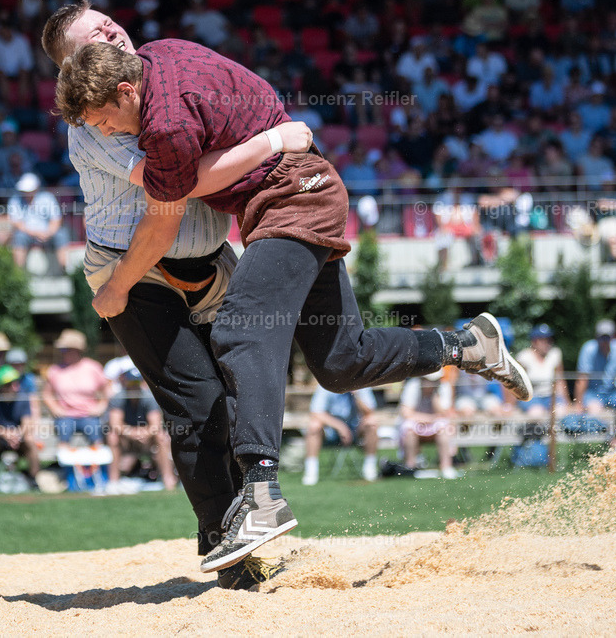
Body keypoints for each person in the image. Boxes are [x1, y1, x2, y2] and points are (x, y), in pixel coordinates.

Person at [55, 35, 531, 572]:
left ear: (124, 90)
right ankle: (466, 344)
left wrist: (116, 286)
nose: (107, 132)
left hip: (293, 197)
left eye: (103, 120)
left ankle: (261, 494)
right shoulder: (163, 51)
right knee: (341, 360)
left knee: (241, 331)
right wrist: (275, 134)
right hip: (296, 192)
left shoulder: (163, 124)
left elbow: (171, 206)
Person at [43, 1, 318, 589]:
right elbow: (182, 179)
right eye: (92, 35)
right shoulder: (94, 123)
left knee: (250, 378)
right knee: (198, 407)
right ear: (73, 70)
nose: (109, 29)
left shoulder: (158, 79)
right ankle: (229, 552)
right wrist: (272, 139)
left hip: (209, 258)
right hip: (134, 269)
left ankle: (256, 513)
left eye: (106, 21)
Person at [105, 368, 177, 493]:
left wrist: (144, 433)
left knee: (161, 436)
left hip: (147, 440)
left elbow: (156, 424)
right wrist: (132, 432)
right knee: (112, 436)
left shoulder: (149, 397)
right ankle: (113, 482)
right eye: (131, 383)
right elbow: (115, 424)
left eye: (136, 383)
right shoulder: (118, 398)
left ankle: (168, 479)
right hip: (126, 440)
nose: (134, 386)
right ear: (125, 382)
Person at [42, 329, 110, 448]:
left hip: (89, 415)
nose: (62, 352)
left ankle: (96, 465)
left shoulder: (93, 367)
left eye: (65, 349)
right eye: (62, 349)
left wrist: (101, 407)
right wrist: (55, 408)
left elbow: (107, 389)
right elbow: (46, 394)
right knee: (63, 439)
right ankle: (66, 465)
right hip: (65, 415)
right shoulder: (55, 370)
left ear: (77, 350)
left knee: (97, 441)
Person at [302, 386, 379, 486]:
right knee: (314, 426)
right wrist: (340, 427)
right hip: (331, 431)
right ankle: (311, 472)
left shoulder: (362, 385)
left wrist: (356, 395)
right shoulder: (326, 384)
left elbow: (369, 412)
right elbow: (316, 413)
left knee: (371, 422)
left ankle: (370, 469)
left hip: (355, 430)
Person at [0, 365, 40, 487]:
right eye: (11, 384)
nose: (15, 387)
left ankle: (34, 479)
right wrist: (5, 434)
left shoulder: (23, 396)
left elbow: (27, 423)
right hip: (0, 438)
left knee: (30, 439)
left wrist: (17, 434)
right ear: (2, 386)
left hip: (18, 438)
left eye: (16, 383)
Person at [399, 369, 457, 479]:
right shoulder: (412, 386)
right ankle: (411, 466)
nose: (433, 383)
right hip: (417, 424)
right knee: (409, 429)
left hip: (434, 425)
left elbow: (445, 414)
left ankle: (446, 467)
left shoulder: (444, 387)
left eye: (435, 380)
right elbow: (406, 413)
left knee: (444, 428)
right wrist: (430, 418)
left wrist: (435, 398)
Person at [573, 320, 616, 414]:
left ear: (614, 337)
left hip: (615, 392)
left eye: (607, 337)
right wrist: (578, 403)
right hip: (594, 394)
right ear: (596, 338)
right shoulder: (588, 349)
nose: (605, 341)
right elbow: (582, 379)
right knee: (594, 410)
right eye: (602, 338)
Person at [514, 324, 568, 418]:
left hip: (551, 395)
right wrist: (511, 404)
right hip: (532, 397)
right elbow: (516, 383)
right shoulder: (524, 357)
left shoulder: (555, 354)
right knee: (537, 413)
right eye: (543, 340)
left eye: (549, 339)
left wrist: (566, 401)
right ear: (534, 341)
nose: (547, 343)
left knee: (561, 412)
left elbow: (560, 380)